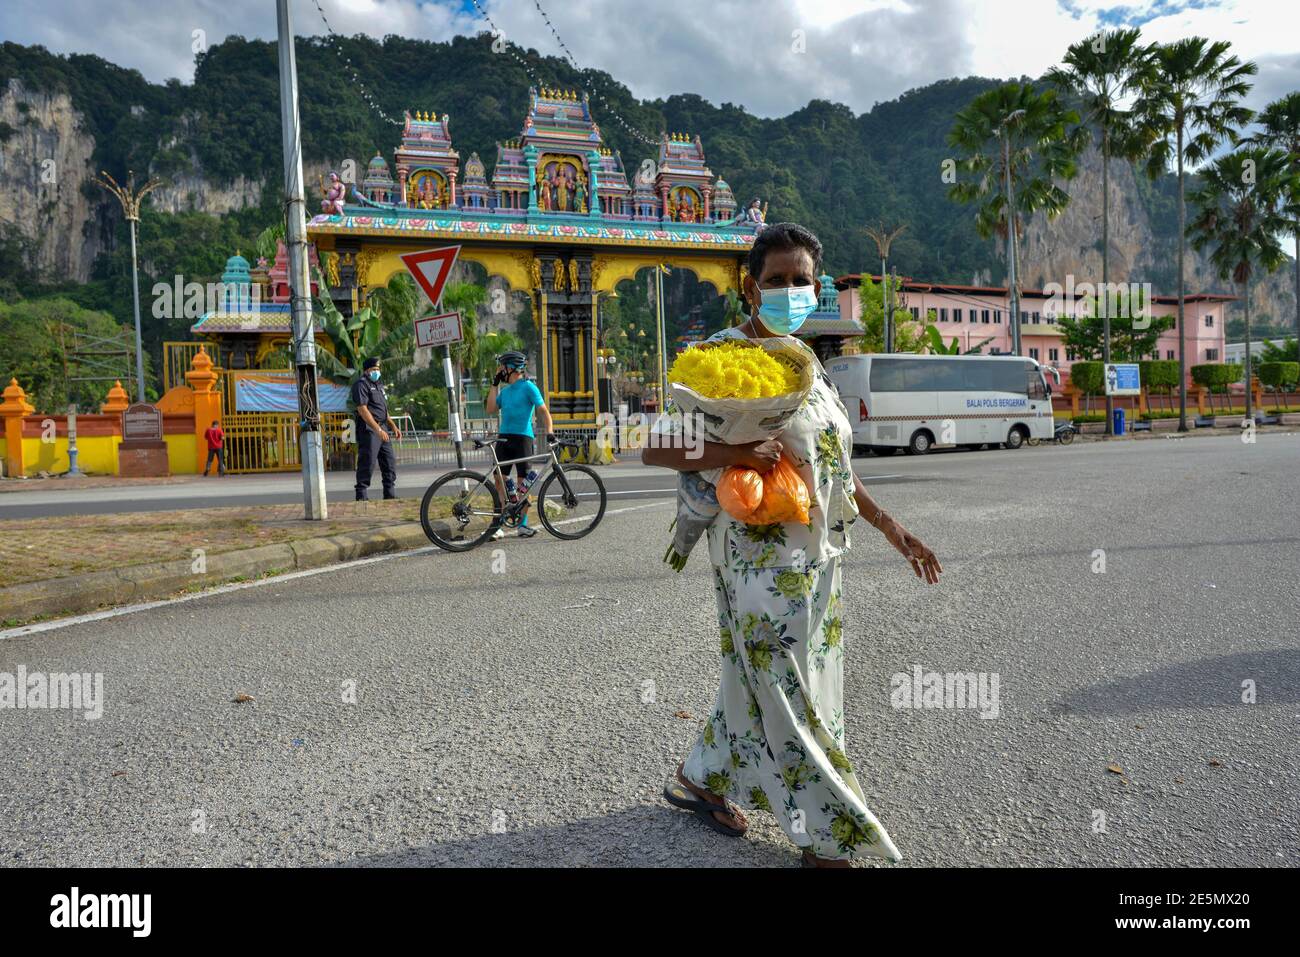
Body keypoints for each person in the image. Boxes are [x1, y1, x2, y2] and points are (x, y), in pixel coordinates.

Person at [644, 222, 943, 868]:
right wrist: (735, 450)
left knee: (779, 681)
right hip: (755, 558)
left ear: (818, 287)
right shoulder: (721, 359)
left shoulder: (808, 364)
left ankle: (701, 774)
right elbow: (658, 446)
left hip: (821, 557)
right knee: (787, 689)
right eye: (776, 280)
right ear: (750, 287)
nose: (788, 290)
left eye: (800, 280)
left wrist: (891, 526)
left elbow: (833, 463)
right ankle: (827, 834)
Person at [485, 351, 554, 539]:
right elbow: (490, 409)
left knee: (524, 483)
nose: (500, 370)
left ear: (513, 368)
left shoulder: (529, 388)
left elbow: (543, 411)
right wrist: (494, 384)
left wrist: (550, 432)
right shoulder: (505, 391)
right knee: (499, 481)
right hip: (504, 438)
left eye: (502, 367)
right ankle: (497, 525)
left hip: (523, 438)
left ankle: (522, 525)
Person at [352, 356, 401, 501]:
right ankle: (362, 495)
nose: (376, 372)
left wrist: (392, 425)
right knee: (368, 462)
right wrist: (377, 430)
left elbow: (383, 410)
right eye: (374, 369)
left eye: (378, 369)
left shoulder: (379, 385)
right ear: (366, 370)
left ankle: (389, 494)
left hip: (383, 426)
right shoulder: (361, 385)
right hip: (369, 428)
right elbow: (363, 410)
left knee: (389, 462)